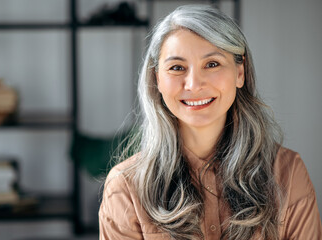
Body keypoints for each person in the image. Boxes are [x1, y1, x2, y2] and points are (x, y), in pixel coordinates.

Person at [98, 5, 322, 240]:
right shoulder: (125, 187)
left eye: (212, 64)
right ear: (157, 80)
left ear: (239, 72)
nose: (194, 84)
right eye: (177, 68)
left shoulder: (287, 172)